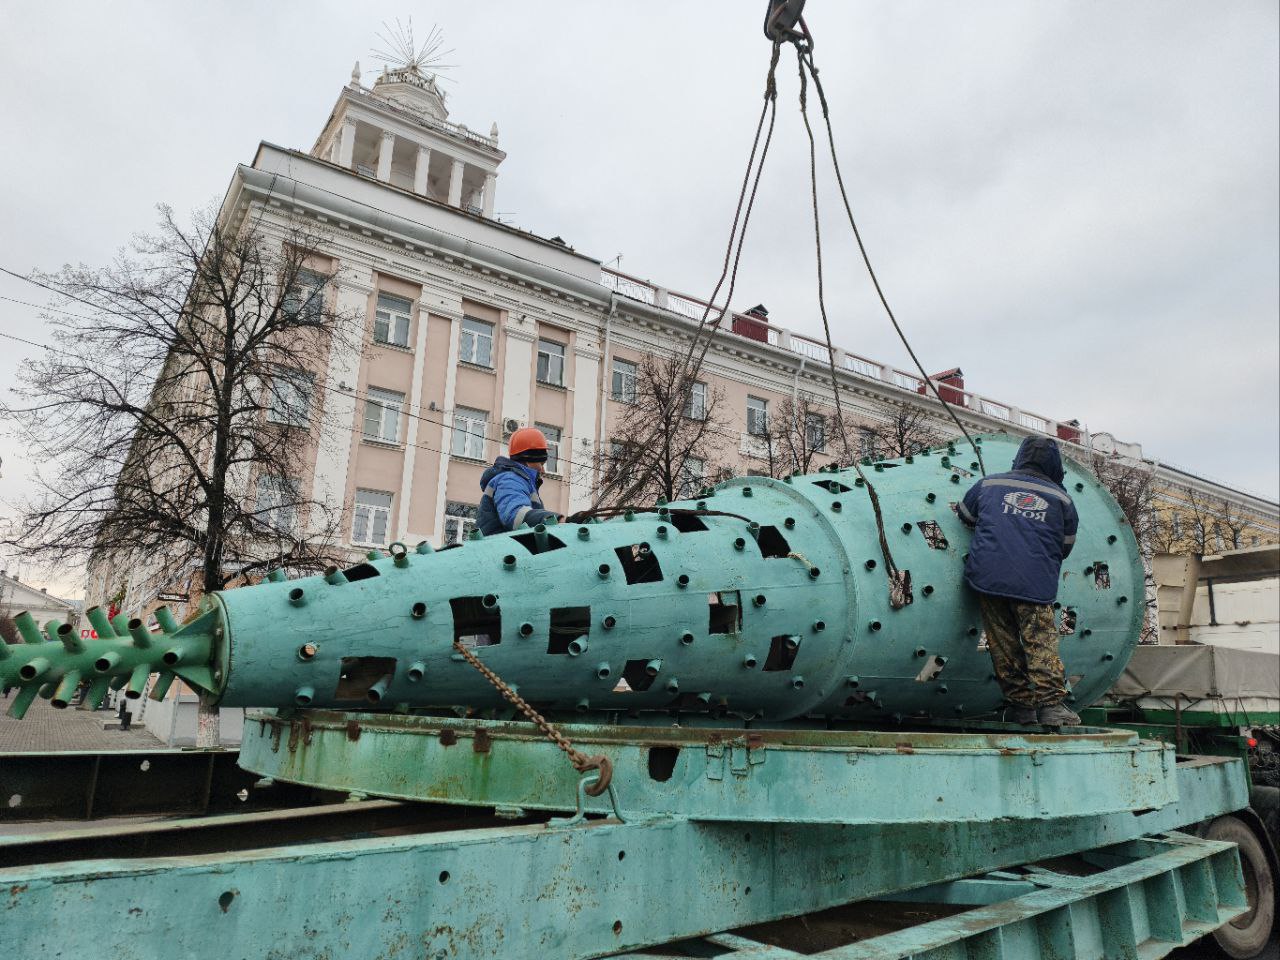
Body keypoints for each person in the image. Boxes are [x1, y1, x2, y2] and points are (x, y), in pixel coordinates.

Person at [957, 436, 1080, 726]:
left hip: (988, 578)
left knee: (1003, 643)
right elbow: (1065, 546)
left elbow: (965, 515)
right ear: (1055, 465)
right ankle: (1051, 706)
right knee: (1040, 642)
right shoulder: (1062, 499)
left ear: (1021, 456)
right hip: (1034, 584)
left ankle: (1021, 707)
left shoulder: (989, 483)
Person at [476, 427, 558, 536]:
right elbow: (517, 516)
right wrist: (558, 520)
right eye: (541, 464)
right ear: (529, 460)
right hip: (502, 546)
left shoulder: (518, 481)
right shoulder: (509, 480)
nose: (543, 471)